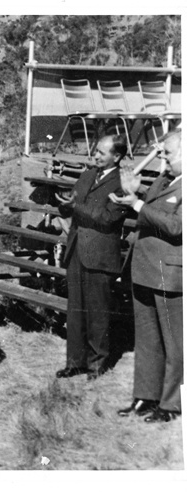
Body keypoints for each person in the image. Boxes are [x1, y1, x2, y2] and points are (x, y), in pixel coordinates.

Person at [110, 130, 182, 423]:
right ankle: (145, 397)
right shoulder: (164, 182)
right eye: (162, 153)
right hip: (145, 269)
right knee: (148, 340)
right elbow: (147, 214)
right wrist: (135, 193)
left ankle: (172, 404)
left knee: (175, 344)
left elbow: (177, 227)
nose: (162, 159)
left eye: (168, 154)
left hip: (170, 275)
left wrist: (138, 204)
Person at [54, 134, 128, 381]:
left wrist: (76, 207)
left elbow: (108, 218)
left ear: (116, 157)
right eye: (96, 150)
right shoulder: (87, 175)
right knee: (75, 309)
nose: (95, 155)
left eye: (102, 153)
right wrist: (64, 205)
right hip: (76, 250)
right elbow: (73, 205)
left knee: (98, 312)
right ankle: (75, 362)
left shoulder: (122, 183)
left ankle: (97, 364)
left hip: (100, 255)